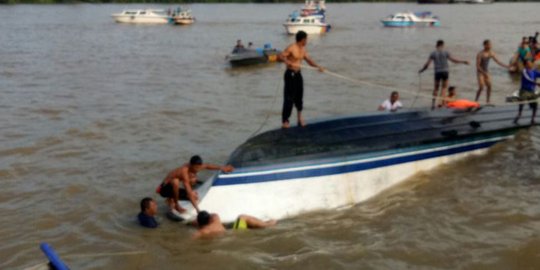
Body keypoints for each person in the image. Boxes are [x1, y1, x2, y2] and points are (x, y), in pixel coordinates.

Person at [156, 155, 234, 214]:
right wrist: (198, 210)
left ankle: (170, 199)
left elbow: (208, 166)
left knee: (195, 196)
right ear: (190, 165)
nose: (197, 170)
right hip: (164, 189)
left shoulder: (198, 166)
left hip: (172, 188)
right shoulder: (184, 172)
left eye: (198, 168)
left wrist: (223, 168)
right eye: (195, 168)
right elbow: (189, 192)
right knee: (176, 181)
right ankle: (176, 205)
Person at [278, 30, 324, 128]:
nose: (307, 41)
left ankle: (299, 118)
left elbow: (309, 60)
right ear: (302, 39)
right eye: (306, 39)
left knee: (299, 96)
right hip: (290, 74)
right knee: (289, 98)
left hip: (298, 74)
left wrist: (318, 67)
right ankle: (285, 121)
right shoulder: (291, 47)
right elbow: (280, 56)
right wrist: (287, 61)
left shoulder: (303, 49)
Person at [419, 40, 469, 110]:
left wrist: (422, 70)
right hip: (445, 72)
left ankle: (433, 105)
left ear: (436, 45)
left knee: (436, 88)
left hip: (437, 72)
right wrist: (463, 62)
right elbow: (454, 60)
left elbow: (427, 64)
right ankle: (442, 104)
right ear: (442, 45)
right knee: (444, 88)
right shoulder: (446, 52)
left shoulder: (433, 53)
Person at [193, 211, 277, 239]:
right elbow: (214, 215)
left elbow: (193, 238)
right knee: (242, 217)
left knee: (242, 219)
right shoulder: (215, 218)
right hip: (233, 232)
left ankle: (267, 225)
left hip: (232, 234)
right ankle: (266, 224)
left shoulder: (203, 231)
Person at [475, 40, 511, 104]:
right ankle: (475, 101)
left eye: (490, 45)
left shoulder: (491, 53)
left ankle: (488, 101)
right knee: (481, 86)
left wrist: (506, 66)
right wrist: (483, 73)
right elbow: (477, 66)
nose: (490, 46)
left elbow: (498, 61)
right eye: (489, 45)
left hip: (486, 71)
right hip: (480, 72)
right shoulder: (480, 54)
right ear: (485, 45)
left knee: (489, 86)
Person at [514, 60, 540, 125]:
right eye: (528, 63)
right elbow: (528, 78)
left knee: (535, 105)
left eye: (530, 63)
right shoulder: (524, 71)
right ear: (525, 65)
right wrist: (536, 83)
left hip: (532, 91)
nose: (530, 64)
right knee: (522, 102)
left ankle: (532, 119)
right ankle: (519, 115)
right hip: (524, 90)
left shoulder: (534, 72)